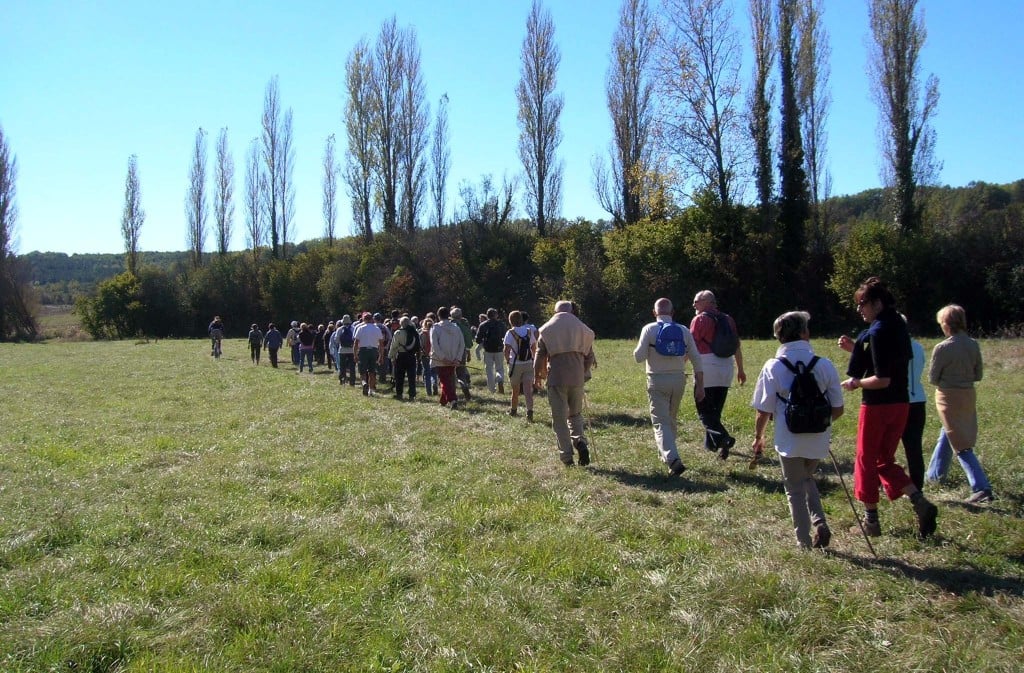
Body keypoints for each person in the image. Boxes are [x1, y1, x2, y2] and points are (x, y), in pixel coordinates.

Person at [838, 276, 938, 539]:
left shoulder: (878, 331)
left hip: (877, 406)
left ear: (877, 303)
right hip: (901, 404)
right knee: (884, 460)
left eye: (863, 304)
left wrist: (856, 383)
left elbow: (882, 379)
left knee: (865, 460)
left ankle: (871, 520)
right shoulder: (898, 327)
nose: (860, 309)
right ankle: (919, 501)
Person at [751, 311, 844, 549]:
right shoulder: (824, 364)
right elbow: (838, 408)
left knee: (794, 488)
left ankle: (803, 542)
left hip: (788, 437)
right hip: (818, 437)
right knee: (806, 477)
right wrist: (820, 424)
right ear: (804, 333)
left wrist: (759, 437)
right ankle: (819, 522)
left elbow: (763, 410)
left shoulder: (773, 366)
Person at [925, 304, 994, 503]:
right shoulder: (973, 344)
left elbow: (933, 378)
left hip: (948, 397)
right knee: (950, 433)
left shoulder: (943, 347)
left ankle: (981, 487)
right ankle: (935, 475)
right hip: (968, 395)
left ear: (946, 324)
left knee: (961, 444)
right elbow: (978, 374)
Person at [633, 298, 705, 476]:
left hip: (657, 379)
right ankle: (665, 455)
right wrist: (700, 385)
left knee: (660, 422)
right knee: (671, 419)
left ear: (654, 312)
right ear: (673, 313)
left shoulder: (649, 329)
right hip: (679, 379)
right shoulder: (683, 330)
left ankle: (673, 459)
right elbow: (696, 357)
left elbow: (639, 357)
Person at [535, 300, 596, 467]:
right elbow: (590, 356)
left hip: (556, 378)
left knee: (560, 418)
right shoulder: (582, 328)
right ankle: (580, 441)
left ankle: (567, 457)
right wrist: (583, 372)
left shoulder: (547, 329)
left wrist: (537, 376)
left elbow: (540, 355)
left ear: (556, 311)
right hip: (577, 378)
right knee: (575, 415)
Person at [690, 290, 746, 459]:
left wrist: (678, 366)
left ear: (706, 302)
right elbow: (736, 345)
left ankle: (724, 438)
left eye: (696, 301)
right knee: (715, 411)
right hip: (726, 368)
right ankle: (713, 445)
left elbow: (690, 345)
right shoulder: (728, 319)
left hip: (706, 367)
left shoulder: (699, 319)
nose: (694, 305)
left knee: (704, 412)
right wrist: (741, 369)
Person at [901, 320, 927, 490]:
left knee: (884, 448)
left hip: (900, 402)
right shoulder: (918, 347)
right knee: (914, 448)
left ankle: (885, 482)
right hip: (918, 399)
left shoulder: (893, 348)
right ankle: (917, 485)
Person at [504, 310, 537, 421]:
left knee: (515, 390)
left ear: (510, 320)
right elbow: (533, 346)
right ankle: (529, 412)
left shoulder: (510, 333)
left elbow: (506, 350)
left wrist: (508, 361)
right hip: (528, 363)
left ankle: (513, 410)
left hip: (515, 364)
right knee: (528, 390)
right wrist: (532, 358)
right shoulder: (528, 331)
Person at [430, 306, 466, 408]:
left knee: (444, 380)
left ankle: (452, 399)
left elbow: (435, 345)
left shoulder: (435, 328)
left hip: (441, 360)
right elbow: (462, 344)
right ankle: (443, 401)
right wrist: (457, 358)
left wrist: (442, 358)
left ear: (438, 316)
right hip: (453, 359)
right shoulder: (456, 328)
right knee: (447, 380)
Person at [388, 316, 421, 401]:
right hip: (411, 356)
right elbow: (418, 345)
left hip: (401, 356)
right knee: (411, 377)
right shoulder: (414, 332)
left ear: (400, 324)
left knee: (399, 376)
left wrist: (391, 356)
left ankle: (399, 394)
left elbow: (394, 346)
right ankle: (412, 395)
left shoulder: (398, 333)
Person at [476, 308, 507, 395]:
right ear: (496, 315)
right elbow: (505, 336)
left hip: (488, 350)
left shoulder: (483, 325)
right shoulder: (501, 324)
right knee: (500, 368)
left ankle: (492, 389)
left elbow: (478, 339)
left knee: (489, 370)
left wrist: (482, 342)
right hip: (499, 349)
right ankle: (500, 379)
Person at [353, 312, 385, 395]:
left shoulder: (360, 328)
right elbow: (381, 344)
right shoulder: (377, 328)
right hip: (373, 350)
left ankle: (364, 383)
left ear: (364, 319)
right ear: (372, 319)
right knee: (372, 372)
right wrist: (381, 356)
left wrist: (355, 354)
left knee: (362, 371)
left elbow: (356, 343)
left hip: (363, 350)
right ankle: (371, 389)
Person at [451, 307, 474, 400]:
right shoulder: (464, 327)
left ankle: (451, 394)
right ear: (460, 316)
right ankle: (464, 387)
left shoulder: (447, 326)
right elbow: (469, 342)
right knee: (461, 373)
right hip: (461, 352)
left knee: (450, 374)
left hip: (449, 352)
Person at [333, 315, 357, 386]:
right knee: (352, 367)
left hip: (342, 350)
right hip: (352, 350)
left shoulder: (339, 329)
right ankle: (352, 381)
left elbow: (336, 340)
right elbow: (356, 339)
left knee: (342, 366)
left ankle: (342, 380)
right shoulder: (353, 328)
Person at [419, 316, 437, 396]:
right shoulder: (435, 332)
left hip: (425, 355)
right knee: (434, 372)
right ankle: (434, 383)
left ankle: (429, 392)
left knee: (427, 372)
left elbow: (421, 345)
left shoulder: (422, 333)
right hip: (434, 355)